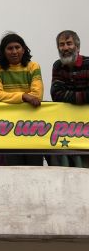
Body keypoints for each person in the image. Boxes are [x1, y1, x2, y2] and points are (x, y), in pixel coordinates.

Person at [0, 32, 43, 166]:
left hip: (33, 128)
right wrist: (24, 96)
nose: (14, 51)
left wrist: (24, 98)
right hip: (8, 128)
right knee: (13, 168)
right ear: (3, 51)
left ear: (23, 49)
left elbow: (37, 95)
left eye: (17, 47)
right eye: (10, 48)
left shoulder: (33, 66)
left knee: (35, 167)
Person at [50, 30, 89, 167]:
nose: (65, 48)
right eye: (61, 45)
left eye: (69, 43)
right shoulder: (57, 66)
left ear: (77, 47)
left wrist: (68, 96)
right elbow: (56, 94)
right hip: (67, 129)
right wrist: (83, 97)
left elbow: (63, 95)